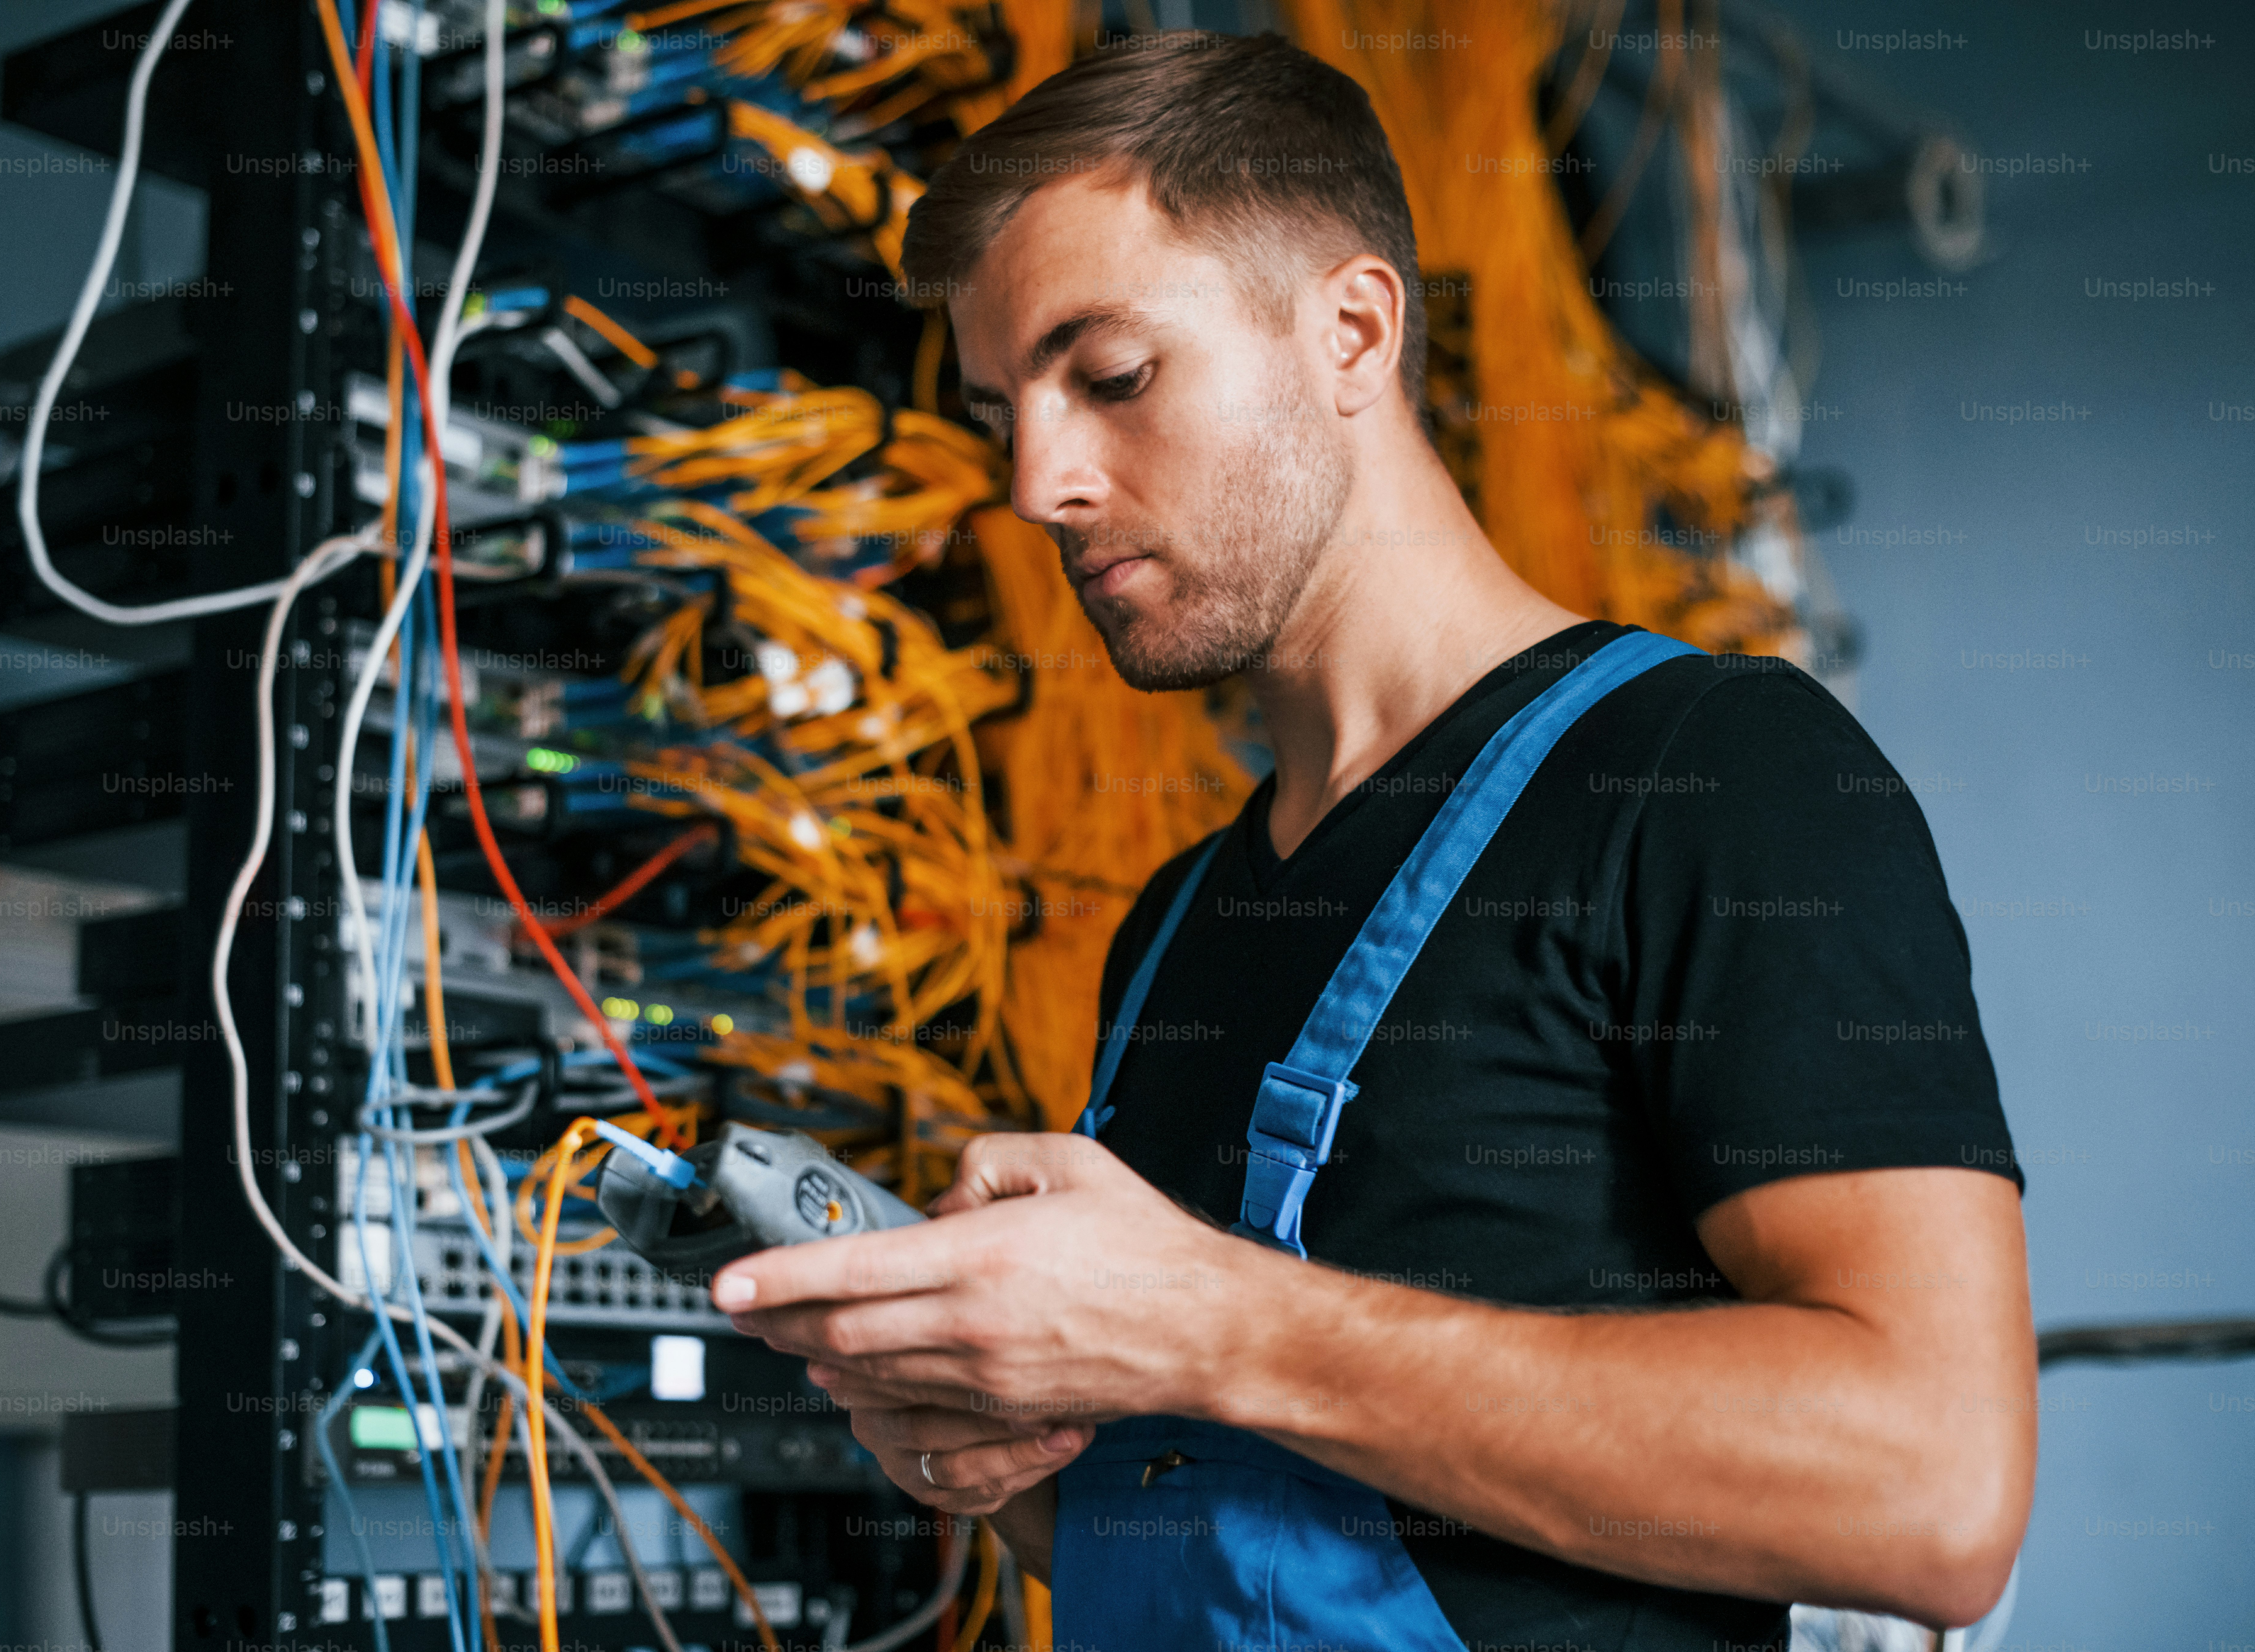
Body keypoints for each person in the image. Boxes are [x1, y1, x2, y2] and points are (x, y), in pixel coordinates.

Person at [711, 31, 2035, 1648]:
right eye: (1007, 411)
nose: (1041, 480)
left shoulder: (1715, 778)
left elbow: (1935, 1488)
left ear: (1352, 328)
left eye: (1112, 376)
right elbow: (1238, 1521)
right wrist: (991, 1435)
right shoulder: (1180, 921)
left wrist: (1208, 1321)